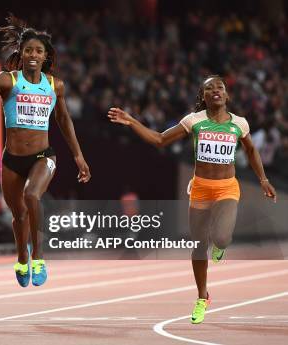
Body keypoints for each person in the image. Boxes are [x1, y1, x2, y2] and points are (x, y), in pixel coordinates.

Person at [108, 75, 277, 324]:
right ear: (204, 97)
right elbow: (160, 140)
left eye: (219, 87)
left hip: (226, 187)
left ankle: (220, 246)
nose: (215, 90)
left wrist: (262, 179)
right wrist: (132, 121)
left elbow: (251, 150)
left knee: (221, 237)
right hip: (199, 188)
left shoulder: (239, 124)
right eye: (209, 88)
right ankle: (202, 297)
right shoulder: (194, 121)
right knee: (198, 246)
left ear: (227, 95)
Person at [0, 15, 91, 287]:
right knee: (18, 215)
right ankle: (22, 257)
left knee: (32, 195)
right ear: (21, 53)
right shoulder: (7, 80)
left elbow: (64, 120)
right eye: (29, 50)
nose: (33, 55)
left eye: (39, 51)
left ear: (46, 56)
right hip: (12, 160)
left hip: (43, 156)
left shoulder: (55, 85)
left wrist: (78, 155)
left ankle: (39, 258)